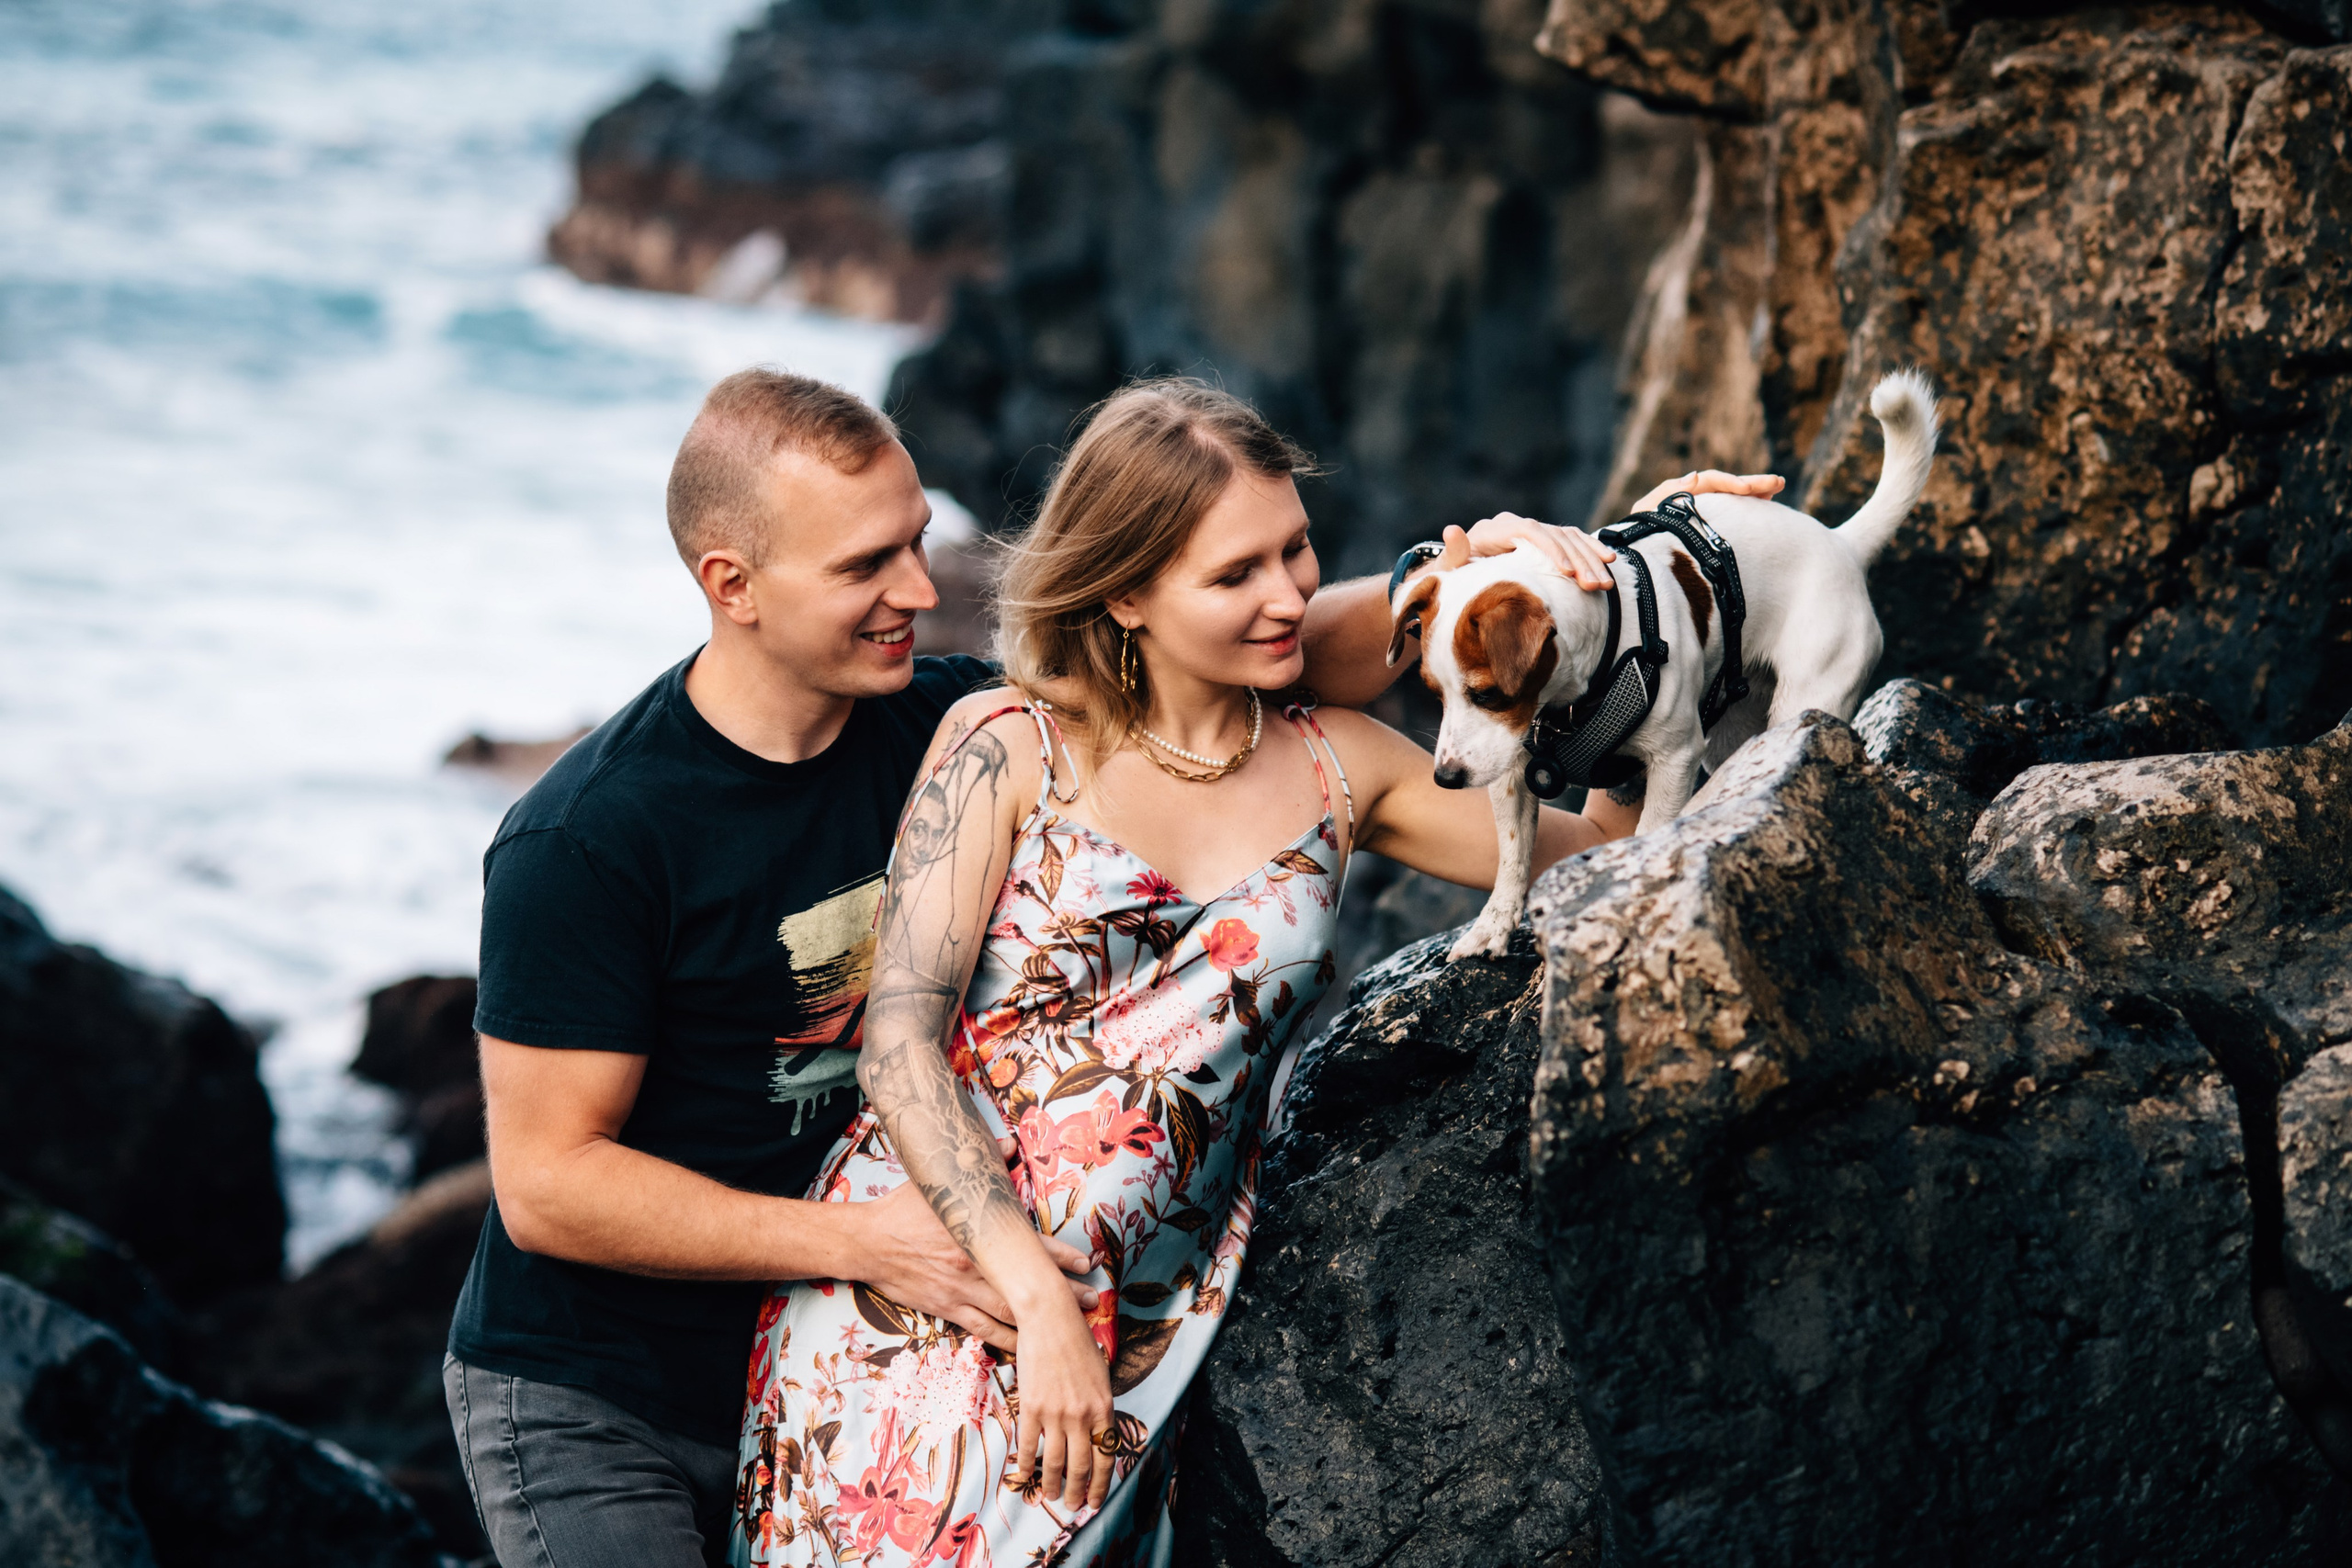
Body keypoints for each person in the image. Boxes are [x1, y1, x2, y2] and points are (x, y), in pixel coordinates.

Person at [443, 364, 1776, 1568]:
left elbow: (1265, 647)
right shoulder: (592, 840)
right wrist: (882, 1248)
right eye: (869, 566)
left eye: (919, 540)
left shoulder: (937, 714)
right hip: (606, 1384)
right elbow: (553, 1186)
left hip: (942, 1306)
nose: (919, 586)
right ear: (732, 584)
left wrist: (1621, 572)